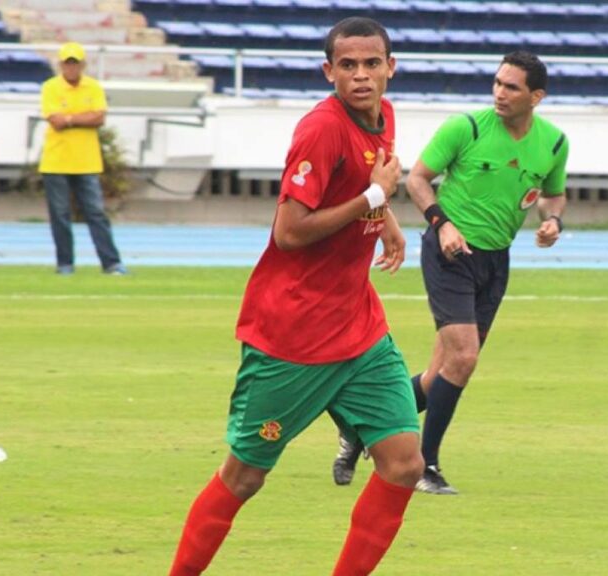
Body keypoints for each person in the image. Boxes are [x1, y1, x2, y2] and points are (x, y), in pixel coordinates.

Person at [169, 18, 423, 576]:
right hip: (294, 339)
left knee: (404, 465)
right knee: (245, 477)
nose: (361, 76)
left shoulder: (384, 117)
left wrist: (384, 220)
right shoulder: (321, 130)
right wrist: (374, 197)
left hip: (359, 331)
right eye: (348, 66)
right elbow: (289, 231)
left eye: (372, 64)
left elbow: (363, 186)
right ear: (328, 71)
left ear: (390, 68)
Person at [333, 50, 569, 495]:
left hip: (496, 261)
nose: (500, 92)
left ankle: (356, 427)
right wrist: (442, 224)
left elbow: (553, 194)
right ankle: (425, 465)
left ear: (536, 96)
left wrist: (553, 220)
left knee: (439, 371)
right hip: (449, 253)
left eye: (512, 86)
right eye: (497, 82)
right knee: (464, 357)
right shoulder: (467, 127)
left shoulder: (554, 143)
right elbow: (418, 180)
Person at [39, 41, 127, 275]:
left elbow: (99, 118)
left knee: (96, 213)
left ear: (82, 65)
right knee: (60, 215)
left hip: (86, 162)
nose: (71, 68)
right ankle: (65, 264)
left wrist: (69, 119)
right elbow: (55, 121)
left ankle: (111, 263)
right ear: (61, 65)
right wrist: (81, 118)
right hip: (56, 162)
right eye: (67, 64)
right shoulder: (50, 87)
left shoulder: (93, 87)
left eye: (75, 64)